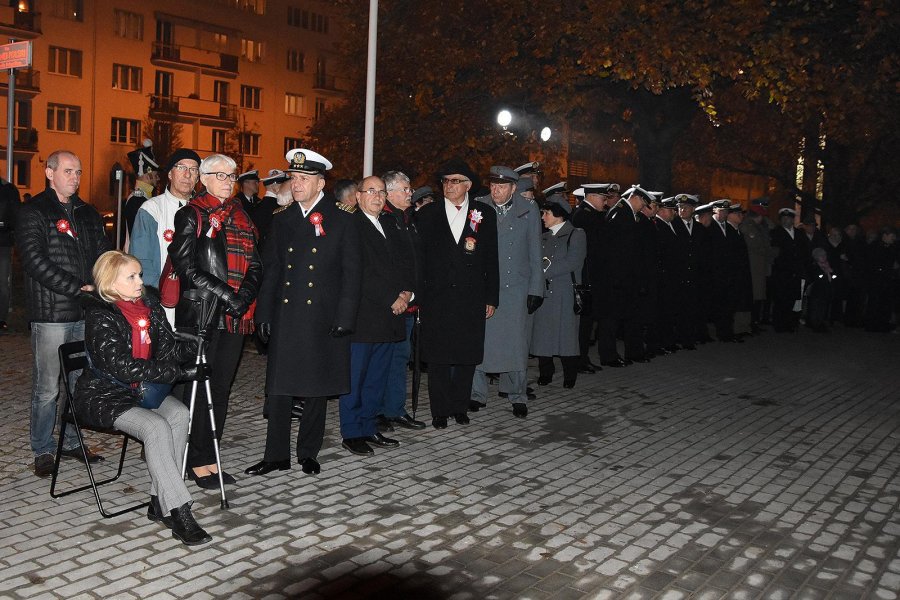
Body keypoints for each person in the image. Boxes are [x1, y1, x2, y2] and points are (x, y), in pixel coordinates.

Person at [75, 251, 211, 545]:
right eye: (132, 276)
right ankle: (179, 510)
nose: (141, 281)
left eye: (139, 274)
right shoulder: (100, 314)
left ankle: (159, 501)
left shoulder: (148, 306)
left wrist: (193, 349)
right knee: (156, 427)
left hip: (144, 388)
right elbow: (120, 367)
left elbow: (166, 350)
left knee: (178, 415)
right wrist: (177, 373)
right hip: (106, 394)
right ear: (111, 282)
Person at [245, 148, 361, 477]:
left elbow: (353, 274)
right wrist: (263, 314)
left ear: (320, 183)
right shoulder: (283, 220)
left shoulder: (342, 218)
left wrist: (344, 318)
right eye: (294, 178)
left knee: (315, 388)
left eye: (304, 178)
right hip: (287, 315)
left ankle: (308, 452)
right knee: (279, 387)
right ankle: (275, 455)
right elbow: (272, 271)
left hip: (323, 316)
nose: (296, 184)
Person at [168, 154, 262, 489]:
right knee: (195, 389)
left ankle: (209, 457)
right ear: (203, 179)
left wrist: (245, 295)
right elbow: (186, 267)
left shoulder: (244, 217)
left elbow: (255, 264)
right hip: (203, 315)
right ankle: (191, 459)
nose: (227, 180)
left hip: (235, 317)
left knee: (220, 389)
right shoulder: (190, 214)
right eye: (219, 175)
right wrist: (228, 295)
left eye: (231, 175)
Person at [17, 150, 112, 477]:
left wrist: (104, 286)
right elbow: (34, 262)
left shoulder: (88, 213)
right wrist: (79, 287)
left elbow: (103, 256)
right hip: (52, 314)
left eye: (78, 171)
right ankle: (42, 448)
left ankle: (71, 440)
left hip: (85, 313)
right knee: (47, 387)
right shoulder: (33, 211)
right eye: (69, 171)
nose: (75, 177)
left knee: (79, 382)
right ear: (49, 172)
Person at [415, 157, 498, 429]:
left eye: (455, 181)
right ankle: (439, 410)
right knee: (438, 357)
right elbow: (420, 260)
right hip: (437, 297)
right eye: (445, 181)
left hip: (471, 297)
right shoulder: (427, 214)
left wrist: (491, 297)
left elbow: (491, 259)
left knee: (466, 355)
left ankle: (459, 406)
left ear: (468, 185)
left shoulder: (484, 214)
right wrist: (419, 295)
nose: (449, 186)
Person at [339, 175, 414, 455]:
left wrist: (407, 293)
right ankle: (352, 431)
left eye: (382, 192)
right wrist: (391, 298)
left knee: (376, 378)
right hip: (364, 317)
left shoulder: (390, 224)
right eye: (371, 191)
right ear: (358, 196)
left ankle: (369, 426)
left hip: (390, 317)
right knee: (356, 378)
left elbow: (407, 262)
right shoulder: (351, 225)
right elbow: (359, 272)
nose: (378, 196)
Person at [469, 166, 543, 418]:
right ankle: (477, 395)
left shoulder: (528, 209)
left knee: (516, 344)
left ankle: (517, 396)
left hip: (516, 288)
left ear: (514, 188)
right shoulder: (478, 207)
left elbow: (535, 252)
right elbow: (470, 245)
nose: (496, 190)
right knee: (481, 342)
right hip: (486, 286)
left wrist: (536, 288)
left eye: (502, 186)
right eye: (493, 185)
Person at [130, 149, 202, 327]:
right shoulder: (152, 209)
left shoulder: (204, 210)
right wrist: (155, 298)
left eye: (193, 170)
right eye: (181, 168)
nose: (187, 174)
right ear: (170, 173)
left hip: (198, 301)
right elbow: (141, 261)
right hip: (164, 301)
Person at [380, 171, 426, 430]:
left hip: (410, 302)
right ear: (391, 192)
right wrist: (399, 293)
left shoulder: (410, 218)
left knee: (400, 358)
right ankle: (378, 411)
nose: (411, 193)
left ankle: (394, 409)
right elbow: (388, 264)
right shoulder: (384, 219)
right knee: (383, 360)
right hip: (391, 302)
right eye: (406, 189)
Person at [531, 194, 586, 388]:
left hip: (565, 294)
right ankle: (546, 371)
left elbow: (573, 261)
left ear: (558, 214)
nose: (542, 217)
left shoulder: (576, 234)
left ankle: (570, 374)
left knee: (567, 337)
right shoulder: (543, 236)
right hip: (545, 294)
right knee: (543, 336)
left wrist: (542, 271)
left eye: (546, 213)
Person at [595, 185, 652, 367]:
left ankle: (631, 352)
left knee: (626, 316)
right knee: (610, 320)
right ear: (635, 197)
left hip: (625, 278)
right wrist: (618, 278)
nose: (643, 207)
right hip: (616, 279)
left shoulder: (628, 214)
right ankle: (608, 356)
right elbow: (615, 251)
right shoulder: (620, 213)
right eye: (642, 202)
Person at [571, 182, 619, 373]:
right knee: (583, 324)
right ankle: (579, 360)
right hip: (587, 277)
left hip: (594, 277)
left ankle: (582, 358)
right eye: (603, 198)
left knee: (588, 322)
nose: (605, 203)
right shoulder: (583, 216)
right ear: (591, 197)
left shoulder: (593, 215)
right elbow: (591, 251)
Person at [671, 194, 703, 347]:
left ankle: (688, 338)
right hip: (678, 274)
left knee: (691, 309)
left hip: (694, 275)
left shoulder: (699, 228)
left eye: (686, 207)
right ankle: (676, 337)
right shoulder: (673, 225)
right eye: (679, 207)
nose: (682, 210)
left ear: (693, 209)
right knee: (677, 308)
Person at [770, 208, 808, 332]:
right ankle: (779, 324)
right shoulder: (775, 232)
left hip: (795, 271)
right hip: (782, 271)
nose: (787, 220)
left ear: (793, 219)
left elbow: (803, 251)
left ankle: (789, 323)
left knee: (791, 298)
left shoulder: (799, 233)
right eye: (784, 218)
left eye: (789, 218)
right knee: (780, 298)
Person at [741, 204, 774, 332]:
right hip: (754, 266)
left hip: (758, 266)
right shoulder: (749, 227)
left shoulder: (756, 227)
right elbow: (758, 246)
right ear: (758, 216)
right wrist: (773, 251)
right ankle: (751, 323)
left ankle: (753, 322)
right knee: (754, 296)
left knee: (757, 296)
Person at [123, 140, 160, 244]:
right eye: (156, 175)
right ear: (148, 175)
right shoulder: (137, 200)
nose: (158, 179)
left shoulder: (144, 198)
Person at [0, 176, 20, 331]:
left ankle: (1, 319)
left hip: (3, 242)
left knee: (2, 284)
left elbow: (15, 216)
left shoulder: (8, 189)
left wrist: (5, 226)